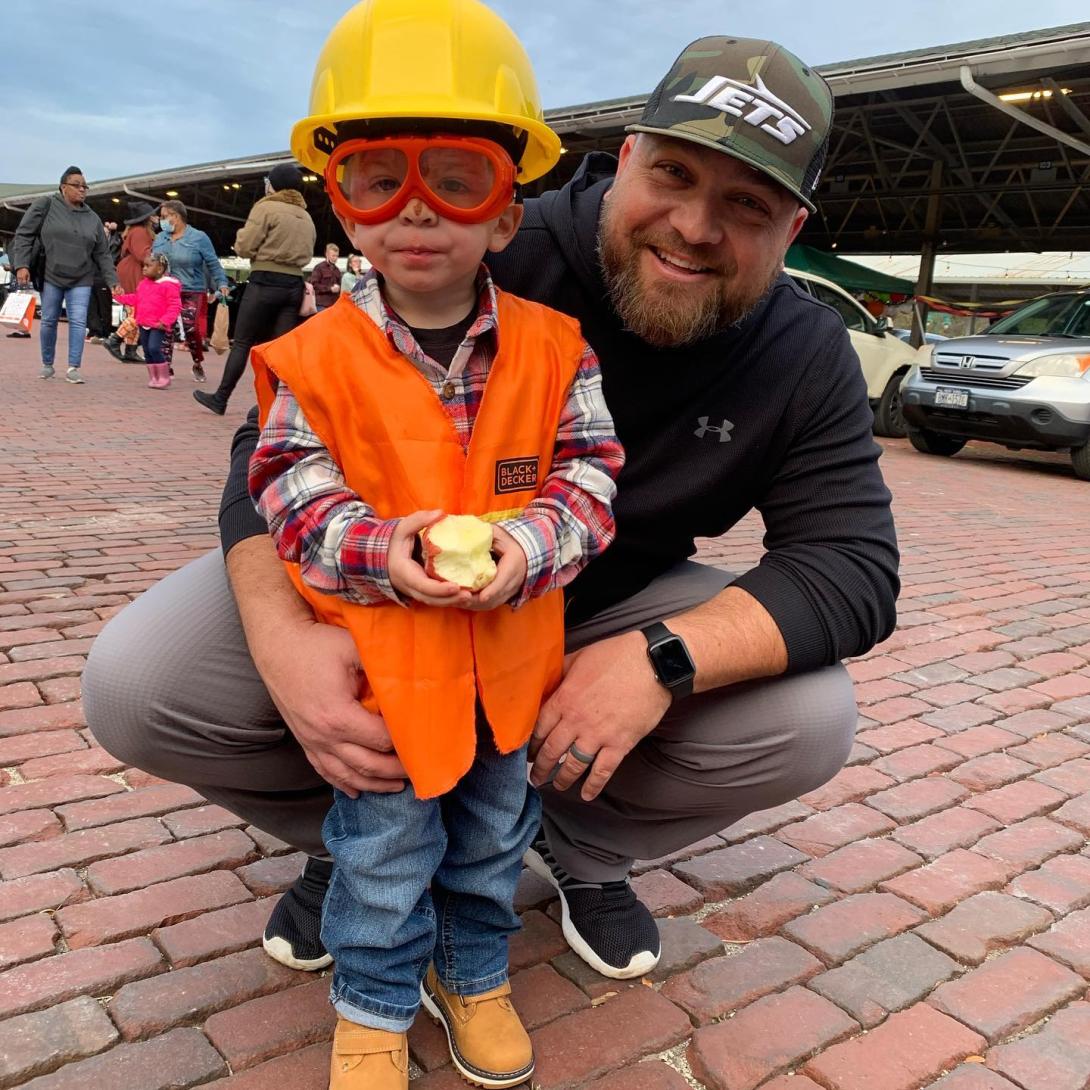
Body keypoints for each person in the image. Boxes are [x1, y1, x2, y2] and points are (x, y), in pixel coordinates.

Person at [85, 28, 899, 1007]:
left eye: (746, 204)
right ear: (628, 154)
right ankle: (365, 836)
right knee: (136, 682)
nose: (693, 225)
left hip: (590, 598)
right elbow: (264, 439)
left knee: (808, 718)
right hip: (379, 586)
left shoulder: (801, 349)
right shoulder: (491, 233)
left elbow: (852, 563)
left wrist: (658, 659)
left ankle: (570, 843)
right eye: (674, 173)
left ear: (793, 224)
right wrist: (283, 635)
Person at [242, 5, 622, 1085]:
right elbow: (290, 486)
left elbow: (590, 475)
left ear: (506, 211)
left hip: (510, 673)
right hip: (384, 679)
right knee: (382, 851)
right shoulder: (312, 355)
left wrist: (531, 547)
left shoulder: (557, 348)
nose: (417, 211)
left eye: (456, 178)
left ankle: (473, 974)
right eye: (376, 178)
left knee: (494, 840)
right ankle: (369, 1000)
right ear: (343, 207)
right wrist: (377, 545)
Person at [193, 162, 316, 416]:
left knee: (243, 342)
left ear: (274, 185)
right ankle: (278, 407)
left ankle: (221, 398)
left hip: (264, 282)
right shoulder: (306, 215)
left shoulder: (266, 207)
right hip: (293, 285)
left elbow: (245, 246)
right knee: (279, 350)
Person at [9, 166, 118, 382]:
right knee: (49, 319)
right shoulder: (46, 205)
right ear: (63, 187)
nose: (82, 189)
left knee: (78, 321)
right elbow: (24, 234)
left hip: (82, 277)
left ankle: (72, 367)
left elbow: (102, 253)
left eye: (84, 186)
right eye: (76, 185)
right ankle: (47, 364)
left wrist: (113, 280)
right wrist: (22, 265)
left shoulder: (92, 217)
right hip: (52, 274)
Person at [152, 199, 228, 382]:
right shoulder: (160, 238)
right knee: (166, 329)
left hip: (192, 289)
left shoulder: (199, 238)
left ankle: (197, 362)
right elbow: (153, 262)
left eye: (164, 217)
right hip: (167, 290)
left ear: (176, 217)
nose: (161, 221)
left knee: (191, 328)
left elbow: (212, 262)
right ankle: (166, 367)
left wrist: (222, 283)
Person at [111, 253, 181, 389]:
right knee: (147, 351)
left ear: (160, 269)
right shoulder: (144, 284)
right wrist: (120, 297)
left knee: (154, 348)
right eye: (144, 265)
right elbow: (136, 299)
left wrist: (165, 321)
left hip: (158, 324)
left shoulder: (169, 285)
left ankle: (164, 377)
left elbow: (175, 305)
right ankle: (154, 378)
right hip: (143, 322)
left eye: (148, 266)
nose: (144, 268)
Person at [106, 201, 159, 363]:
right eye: (154, 215)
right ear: (147, 218)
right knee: (139, 313)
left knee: (134, 311)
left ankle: (131, 350)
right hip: (134, 273)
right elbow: (144, 255)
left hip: (130, 271)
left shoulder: (134, 231)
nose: (157, 218)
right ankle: (115, 339)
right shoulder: (141, 232)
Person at [309, 242, 341, 309]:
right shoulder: (319, 267)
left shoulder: (337, 270)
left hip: (334, 305)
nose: (335, 258)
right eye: (333, 256)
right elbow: (314, 285)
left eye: (337, 256)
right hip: (321, 305)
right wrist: (330, 289)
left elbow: (339, 287)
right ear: (327, 254)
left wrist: (338, 289)